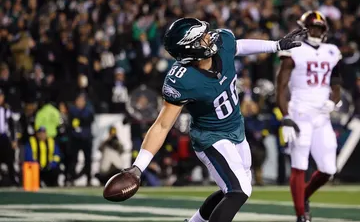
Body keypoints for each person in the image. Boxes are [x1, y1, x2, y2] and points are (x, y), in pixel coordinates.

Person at [113, 17, 304, 222]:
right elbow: (162, 125)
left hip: (236, 129)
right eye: (202, 37)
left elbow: (238, 46)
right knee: (239, 190)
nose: (209, 37)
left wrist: (275, 45)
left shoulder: (222, 43)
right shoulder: (182, 80)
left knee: (233, 187)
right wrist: (138, 166)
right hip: (210, 137)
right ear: (191, 49)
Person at [276, 11, 342, 222]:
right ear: (304, 28)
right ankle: (300, 215)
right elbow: (281, 87)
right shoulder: (295, 50)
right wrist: (286, 116)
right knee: (299, 164)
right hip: (300, 112)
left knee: (328, 169)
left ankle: (302, 197)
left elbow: (336, 84)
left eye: (319, 28)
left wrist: (334, 100)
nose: (315, 31)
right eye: (312, 27)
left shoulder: (332, 51)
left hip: (322, 116)